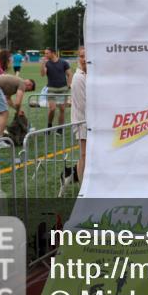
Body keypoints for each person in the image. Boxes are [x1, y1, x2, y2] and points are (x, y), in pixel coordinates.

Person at [0, 74, 36, 140]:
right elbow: (18, 102)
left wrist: (16, 109)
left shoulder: (15, 83)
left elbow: (8, 99)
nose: (25, 91)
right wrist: (18, 110)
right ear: (29, 84)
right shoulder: (22, 83)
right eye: (28, 90)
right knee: (4, 113)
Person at [65, 46, 87, 189]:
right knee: (85, 155)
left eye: (86, 56)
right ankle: (83, 189)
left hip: (89, 121)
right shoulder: (78, 77)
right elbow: (82, 104)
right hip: (83, 121)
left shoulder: (89, 75)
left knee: (87, 156)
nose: (84, 59)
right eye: (81, 56)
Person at [40, 48, 71, 129]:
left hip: (63, 89)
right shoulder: (47, 63)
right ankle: (49, 125)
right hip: (51, 89)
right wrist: (42, 64)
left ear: (53, 53)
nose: (45, 55)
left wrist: (68, 85)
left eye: (47, 53)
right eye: (45, 53)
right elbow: (42, 74)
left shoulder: (63, 62)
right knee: (52, 109)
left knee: (62, 109)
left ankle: (60, 128)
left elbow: (69, 74)